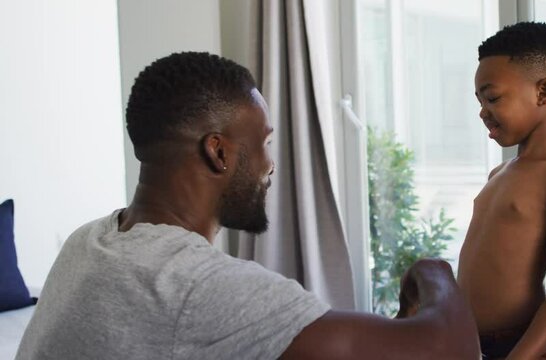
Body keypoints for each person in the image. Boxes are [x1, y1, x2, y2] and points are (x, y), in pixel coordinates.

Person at [16, 52, 480, 360]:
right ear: (218, 152)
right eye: (263, 143)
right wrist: (433, 271)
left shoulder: (91, 241)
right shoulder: (196, 285)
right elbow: (450, 350)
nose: (271, 165)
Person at [457, 22, 546, 360]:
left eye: (492, 97)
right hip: (471, 344)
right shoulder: (499, 172)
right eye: (479, 100)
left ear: (543, 93)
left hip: (526, 348)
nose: (482, 111)